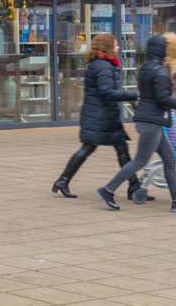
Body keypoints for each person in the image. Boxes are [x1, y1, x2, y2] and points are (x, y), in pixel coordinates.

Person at [93, 32, 176, 212]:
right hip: (151, 121)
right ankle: (107, 190)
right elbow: (163, 98)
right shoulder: (160, 71)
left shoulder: (146, 67)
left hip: (149, 119)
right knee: (140, 160)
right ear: (163, 50)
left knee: (170, 159)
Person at [52, 32, 144, 202]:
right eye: (115, 44)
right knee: (90, 148)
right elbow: (106, 92)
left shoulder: (102, 64)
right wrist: (133, 94)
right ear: (107, 47)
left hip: (103, 115)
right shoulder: (103, 66)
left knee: (119, 149)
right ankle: (62, 181)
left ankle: (134, 187)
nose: (118, 47)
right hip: (100, 117)